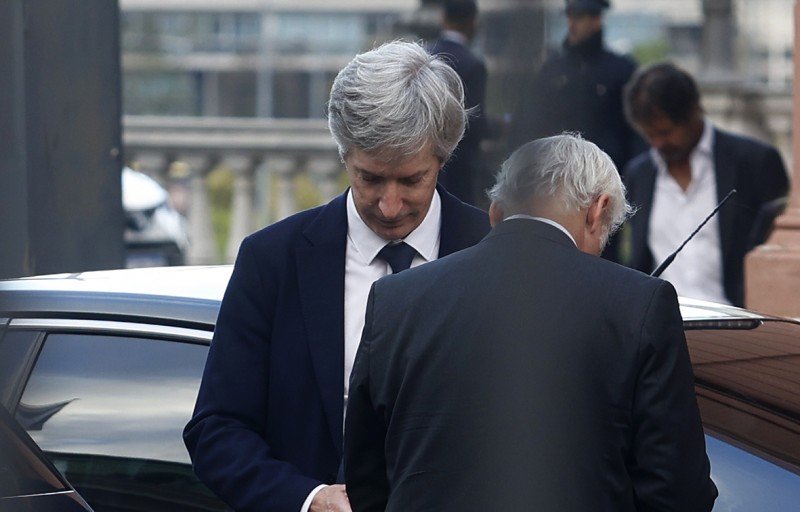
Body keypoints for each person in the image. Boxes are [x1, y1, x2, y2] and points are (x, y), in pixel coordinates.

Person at [183, 41, 490, 512]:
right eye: (370, 178)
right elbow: (216, 430)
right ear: (344, 155)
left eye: (411, 180)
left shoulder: (495, 253)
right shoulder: (272, 261)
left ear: (443, 160)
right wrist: (308, 500)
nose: (390, 205)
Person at [345, 133, 717, 511]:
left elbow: (364, 477)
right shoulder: (640, 304)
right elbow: (676, 491)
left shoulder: (395, 298)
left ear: (495, 212)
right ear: (597, 211)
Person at [623, 62, 789, 307]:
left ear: (694, 111)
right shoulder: (639, 174)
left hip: (739, 320)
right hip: (663, 324)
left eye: (666, 132)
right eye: (649, 135)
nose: (658, 144)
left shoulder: (756, 162)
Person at [514, 0, 642, 172]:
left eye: (579, 17)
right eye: (569, 16)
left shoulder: (621, 69)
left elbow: (635, 131)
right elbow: (530, 122)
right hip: (559, 171)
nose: (572, 24)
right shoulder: (553, 70)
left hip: (608, 171)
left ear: (596, 19)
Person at [429, 0, 489, 206]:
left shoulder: (424, 55)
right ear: (473, 21)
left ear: (443, 17)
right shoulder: (473, 64)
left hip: (421, 162)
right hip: (459, 171)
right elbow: (475, 122)